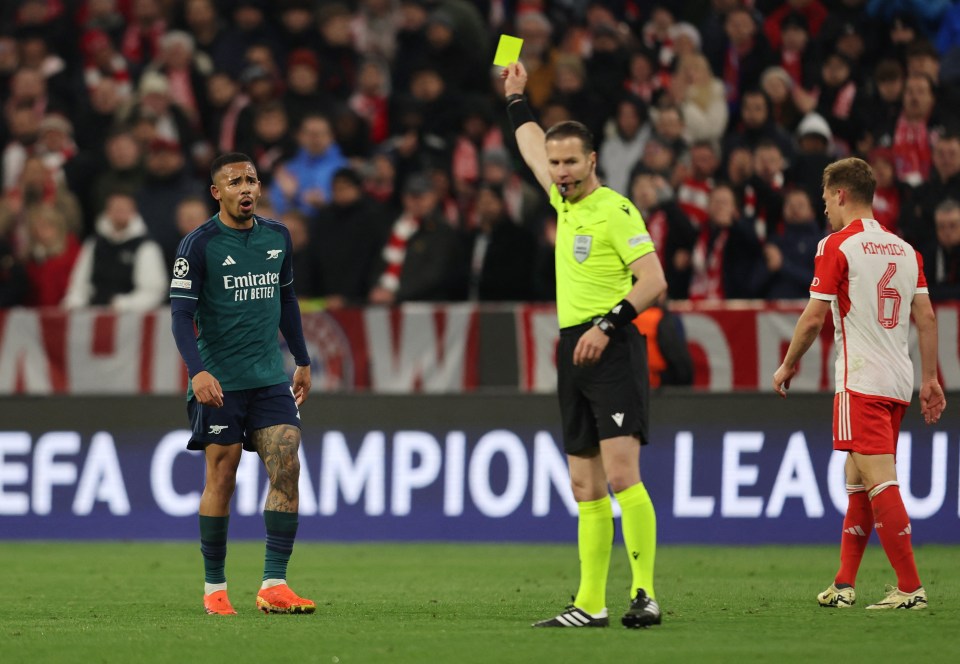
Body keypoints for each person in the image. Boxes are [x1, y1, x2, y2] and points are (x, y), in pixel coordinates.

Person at [502, 61, 668, 629]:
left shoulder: (615, 209)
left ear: (592, 161)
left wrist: (608, 324)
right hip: (572, 348)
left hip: (612, 344)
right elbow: (528, 145)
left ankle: (644, 593)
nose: (561, 171)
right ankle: (591, 604)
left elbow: (654, 280)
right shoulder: (562, 200)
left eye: (571, 161)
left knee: (623, 476)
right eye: (555, 163)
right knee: (584, 484)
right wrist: (517, 98)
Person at [773, 157, 946, 611]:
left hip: (860, 379)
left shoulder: (837, 245)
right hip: (898, 382)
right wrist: (930, 379)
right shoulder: (906, 250)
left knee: (878, 480)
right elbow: (926, 317)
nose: (824, 206)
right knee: (857, 479)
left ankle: (910, 588)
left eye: (827, 198)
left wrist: (788, 364)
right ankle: (844, 584)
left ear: (842, 195)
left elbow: (813, 319)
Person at [169, 152, 315, 617]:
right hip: (220, 381)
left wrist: (303, 359)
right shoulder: (199, 244)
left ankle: (274, 583)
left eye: (251, 179)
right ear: (217, 192)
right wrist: (198, 371)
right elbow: (180, 316)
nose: (246, 187)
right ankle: (215, 587)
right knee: (222, 476)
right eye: (235, 181)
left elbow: (287, 299)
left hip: (269, 377)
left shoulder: (278, 236)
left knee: (286, 462)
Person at [62, 192, 168, 311]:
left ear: (133, 211)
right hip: (93, 313)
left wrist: (123, 304)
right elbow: (79, 284)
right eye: (115, 208)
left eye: (124, 209)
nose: (119, 213)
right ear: (107, 211)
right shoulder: (94, 243)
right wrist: (74, 302)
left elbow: (154, 291)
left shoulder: (146, 246)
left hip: (130, 317)